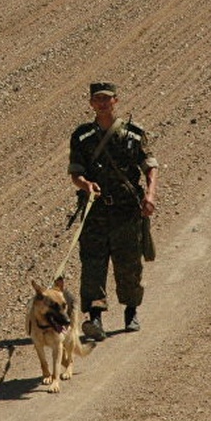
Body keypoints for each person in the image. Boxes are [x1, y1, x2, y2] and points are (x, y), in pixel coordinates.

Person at [68, 82, 159, 340]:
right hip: (95, 212)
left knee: (129, 264)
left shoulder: (133, 134)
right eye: (97, 99)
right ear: (91, 104)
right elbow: (75, 173)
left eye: (107, 99)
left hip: (127, 212)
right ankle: (95, 318)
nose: (103, 103)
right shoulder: (82, 136)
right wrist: (85, 184)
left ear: (115, 101)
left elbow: (150, 167)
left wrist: (150, 196)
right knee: (93, 265)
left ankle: (131, 312)